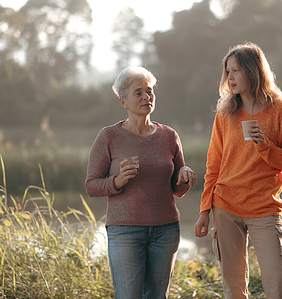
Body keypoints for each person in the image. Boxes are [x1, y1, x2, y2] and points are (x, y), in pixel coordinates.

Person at [194, 42, 282, 299]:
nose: (229, 78)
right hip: (226, 205)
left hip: (265, 207)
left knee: (278, 284)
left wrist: (264, 145)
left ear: (253, 72)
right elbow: (213, 166)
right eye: (227, 72)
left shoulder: (281, 111)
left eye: (236, 71)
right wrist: (204, 210)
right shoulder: (225, 113)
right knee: (233, 288)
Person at [85, 66, 198, 299]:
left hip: (165, 230)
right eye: (139, 93)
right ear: (123, 101)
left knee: (157, 296)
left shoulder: (169, 136)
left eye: (150, 91)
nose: (147, 97)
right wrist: (117, 181)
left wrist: (185, 176)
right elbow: (91, 185)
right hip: (124, 230)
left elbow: (177, 189)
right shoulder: (109, 136)